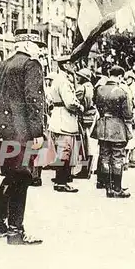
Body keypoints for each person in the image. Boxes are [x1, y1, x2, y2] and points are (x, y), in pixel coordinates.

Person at [0, 28, 45, 245]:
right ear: (27, 45)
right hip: (22, 132)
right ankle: (15, 232)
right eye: (38, 46)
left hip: (1, 130)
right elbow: (34, 101)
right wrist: (37, 132)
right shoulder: (32, 64)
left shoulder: (2, 65)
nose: (39, 51)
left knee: (10, 176)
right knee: (23, 178)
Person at [91, 65, 133, 198]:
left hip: (102, 126)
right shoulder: (122, 91)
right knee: (117, 158)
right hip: (117, 128)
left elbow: (96, 105)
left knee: (104, 157)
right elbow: (128, 114)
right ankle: (117, 188)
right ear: (120, 77)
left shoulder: (99, 89)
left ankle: (108, 188)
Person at [48, 55, 84, 193]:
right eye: (71, 64)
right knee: (64, 151)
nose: (73, 66)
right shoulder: (64, 81)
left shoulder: (58, 79)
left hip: (58, 117)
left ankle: (60, 181)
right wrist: (79, 107)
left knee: (61, 151)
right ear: (65, 65)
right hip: (65, 119)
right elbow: (69, 102)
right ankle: (62, 182)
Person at [74, 67, 97, 180]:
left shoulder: (82, 88)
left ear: (84, 78)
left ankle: (85, 170)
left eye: (79, 76)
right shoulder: (90, 87)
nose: (77, 77)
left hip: (83, 118)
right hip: (90, 118)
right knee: (87, 145)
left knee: (83, 146)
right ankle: (87, 170)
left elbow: (76, 102)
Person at [123, 70, 135, 169]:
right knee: (131, 137)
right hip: (132, 114)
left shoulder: (134, 87)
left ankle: (132, 159)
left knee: (133, 137)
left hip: (134, 113)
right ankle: (131, 159)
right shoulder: (129, 86)